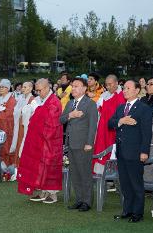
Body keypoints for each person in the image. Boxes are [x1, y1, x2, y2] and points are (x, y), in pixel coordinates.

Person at [109, 80, 152, 223]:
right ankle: (127, 211)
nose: (125, 90)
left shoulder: (143, 109)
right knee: (125, 184)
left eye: (128, 88)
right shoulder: (121, 108)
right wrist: (121, 120)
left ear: (137, 90)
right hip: (121, 152)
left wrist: (144, 151)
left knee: (136, 184)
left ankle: (137, 213)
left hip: (135, 152)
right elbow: (110, 123)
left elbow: (147, 133)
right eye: (124, 88)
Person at [18, 78, 63, 204]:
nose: (38, 93)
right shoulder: (40, 100)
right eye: (36, 90)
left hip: (50, 141)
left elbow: (52, 122)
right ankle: (42, 191)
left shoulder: (54, 101)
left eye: (40, 90)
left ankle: (52, 194)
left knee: (50, 167)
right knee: (39, 167)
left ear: (47, 88)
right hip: (39, 140)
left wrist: (38, 110)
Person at [60, 77, 98, 212]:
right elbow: (61, 119)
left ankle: (87, 201)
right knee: (74, 173)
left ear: (83, 89)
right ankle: (79, 199)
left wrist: (89, 143)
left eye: (76, 86)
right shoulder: (70, 103)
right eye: (73, 86)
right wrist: (71, 115)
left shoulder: (90, 104)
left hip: (83, 144)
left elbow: (93, 126)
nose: (73, 88)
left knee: (85, 173)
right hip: (70, 143)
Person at [93, 74, 126, 174]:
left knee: (113, 151)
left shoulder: (122, 95)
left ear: (116, 83)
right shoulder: (104, 95)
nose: (108, 87)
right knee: (102, 148)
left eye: (110, 84)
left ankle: (113, 175)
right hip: (103, 128)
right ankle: (101, 174)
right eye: (106, 85)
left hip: (115, 130)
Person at [11, 82, 34, 179]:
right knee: (19, 144)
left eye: (25, 87)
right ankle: (19, 169)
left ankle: (26, 170)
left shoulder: (33, 100)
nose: (23, 89)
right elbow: (15, 111)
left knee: (25, 146)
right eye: (22, 87)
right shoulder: (21, 99)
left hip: (26, 127)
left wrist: (21, 112)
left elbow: (31, 113)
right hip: (19, 125)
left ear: (31, 88)